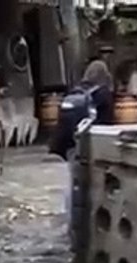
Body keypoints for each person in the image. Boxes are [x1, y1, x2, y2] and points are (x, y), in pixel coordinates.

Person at [49, 60, 115, 213]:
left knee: (74, 180)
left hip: (69, 143)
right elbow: (107, 124)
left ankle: (72, 213)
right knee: (94, 183)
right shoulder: (103, 94)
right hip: (91, 145)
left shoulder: (75, 91)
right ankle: (88, 215)